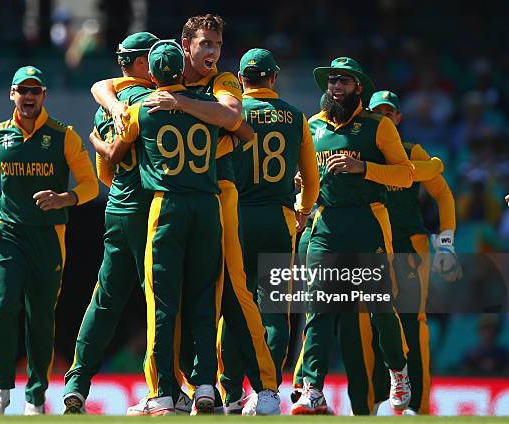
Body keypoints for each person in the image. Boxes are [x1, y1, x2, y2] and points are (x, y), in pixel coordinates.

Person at [91, 14, 281, 416]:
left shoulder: (222, 82)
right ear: (184, 46)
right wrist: (115, 109)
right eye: (205, 44)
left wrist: (179, 103)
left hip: (219, 195)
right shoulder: (159, 82)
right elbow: (101, 86)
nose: (212, 52)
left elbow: (234, 117)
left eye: (217, 44)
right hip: (181, 201)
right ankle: (177, 388)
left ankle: (265, 388)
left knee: (232, 289)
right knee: (174, 297)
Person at [93, 40, 224, 416]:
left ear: (151, 75)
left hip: (166, 208)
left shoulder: (142, 110)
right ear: (181, 70)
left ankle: (164, 392)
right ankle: (204, 387)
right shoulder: (207, 107)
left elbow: (116, 154)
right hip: (207, 207)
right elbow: (240, 129)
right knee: (202, 301)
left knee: (163, 305)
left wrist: (96, 143)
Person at [0, 66, 98, 415]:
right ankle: (0, 389)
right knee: (4, 306)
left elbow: (90, 184)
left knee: (40, 316)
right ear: (11, 94)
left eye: (35, 91)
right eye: (22, 91)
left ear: (44, 95)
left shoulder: (63, 136)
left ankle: (36, 396)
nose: (28, 97)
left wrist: (64, 199)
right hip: (7, 233)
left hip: (48, 236)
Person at [291, 57, 413, 415]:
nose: (335, 86)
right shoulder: (311, 127)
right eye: (331, 81)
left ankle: (397, 369)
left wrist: (364, 168)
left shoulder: (378, 126)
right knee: (318, 309)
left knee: (380, 309)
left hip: (367, 221)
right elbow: (307, 180)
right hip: (326, 225)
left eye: (343, 81)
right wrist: (300, 198)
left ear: (358, 87)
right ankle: (313, 388)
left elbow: (405, 176)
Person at [338, 90, 458, 416]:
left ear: (399, 119)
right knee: (366, 323)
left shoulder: (408, 151)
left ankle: (417, 405)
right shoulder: (359, 151)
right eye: (379, 113)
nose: (385, 118)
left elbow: (443, 194)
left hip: (408, 245)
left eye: (390, 113)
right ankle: (370, 404)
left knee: (412, 321)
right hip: (370, 245)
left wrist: (445, 242)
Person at [62, 31, 162, 415]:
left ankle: (76, 383)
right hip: (151, 210)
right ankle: (168, 388)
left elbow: (105, 172)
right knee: (164, 301)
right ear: (139, 64)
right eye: (151, 58)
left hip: (117, 208)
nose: (156, 65)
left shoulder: (104, 107)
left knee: (104, 302)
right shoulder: (153, 99)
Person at [218, 48, 319, 413]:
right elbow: (311, 178)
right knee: (275, 309)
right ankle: (267, 391)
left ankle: (228, 392)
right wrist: (303, 212)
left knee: (233, 303)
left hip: (236, 215)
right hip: (279, 218)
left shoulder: (231, 111)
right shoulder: (295, 116)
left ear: (242, 79)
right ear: (273, 78)